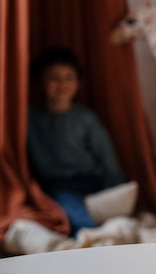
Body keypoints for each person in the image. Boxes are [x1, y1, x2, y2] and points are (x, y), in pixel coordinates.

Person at [27, 47, 126, 237]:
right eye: (54, 78)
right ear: (41, 83)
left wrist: (115, 184)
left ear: (78, 83)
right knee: (66, 200)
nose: (62, 83)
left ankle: (91, 232)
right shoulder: (31, 118)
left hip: (90, 178)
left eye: (69, 77)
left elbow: (105, 153)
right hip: (57, 184)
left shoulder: (85, 117)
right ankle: (88, 233)